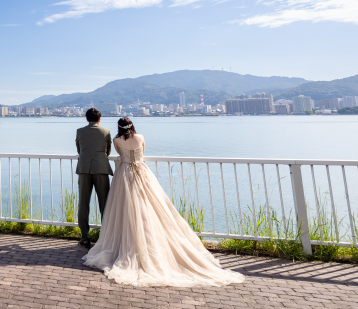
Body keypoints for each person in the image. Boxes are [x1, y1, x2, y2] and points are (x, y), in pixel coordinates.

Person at [83, 117, 244, 287]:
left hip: (124, 175)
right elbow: (141, 154)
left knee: (125, 208)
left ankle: (129, 242)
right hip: (141, 172)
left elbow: (120, 155)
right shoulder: (141, 137)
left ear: (119, 127)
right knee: (148, 207)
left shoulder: (116, 140)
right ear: (132, 126)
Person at [75, 107, 112, 249]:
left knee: (83, 203)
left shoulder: (80, 131)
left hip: (84, 169)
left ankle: (85, 237)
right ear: (99, 119)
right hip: (101, 169)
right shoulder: (106, 132)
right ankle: (106, 237)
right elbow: (107, 151)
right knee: (105, 203)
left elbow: (79, 149)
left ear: (86, 118)